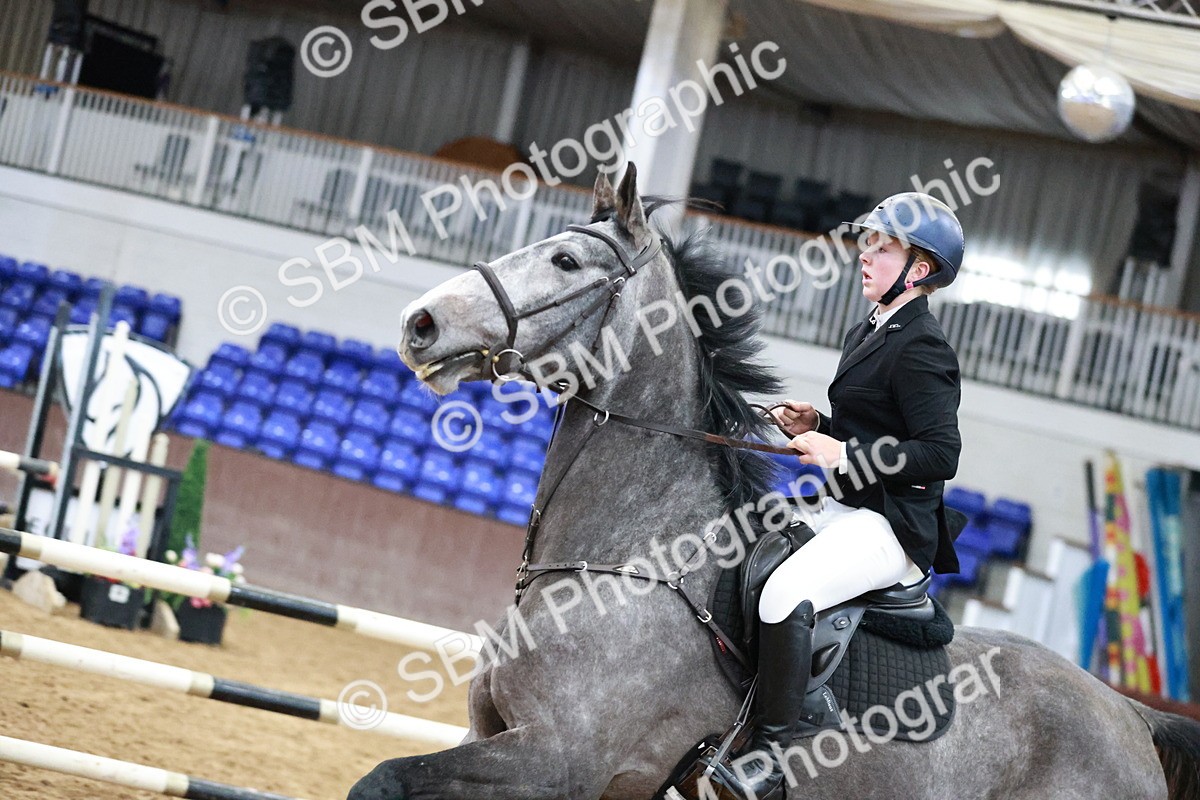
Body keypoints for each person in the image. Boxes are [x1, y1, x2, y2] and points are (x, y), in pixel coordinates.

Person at [716, 192, 966, 800]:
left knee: (785, 594)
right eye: (868, 242)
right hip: (843, 508)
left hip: (890, 527)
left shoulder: (923, 345)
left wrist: (843, 453)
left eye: (884, 247)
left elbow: (941, 454)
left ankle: (771, 754)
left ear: (920, 270)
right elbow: (875, 429)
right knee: (738, 550)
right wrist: (819, 426)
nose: (865, 254)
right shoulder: (870, 328)